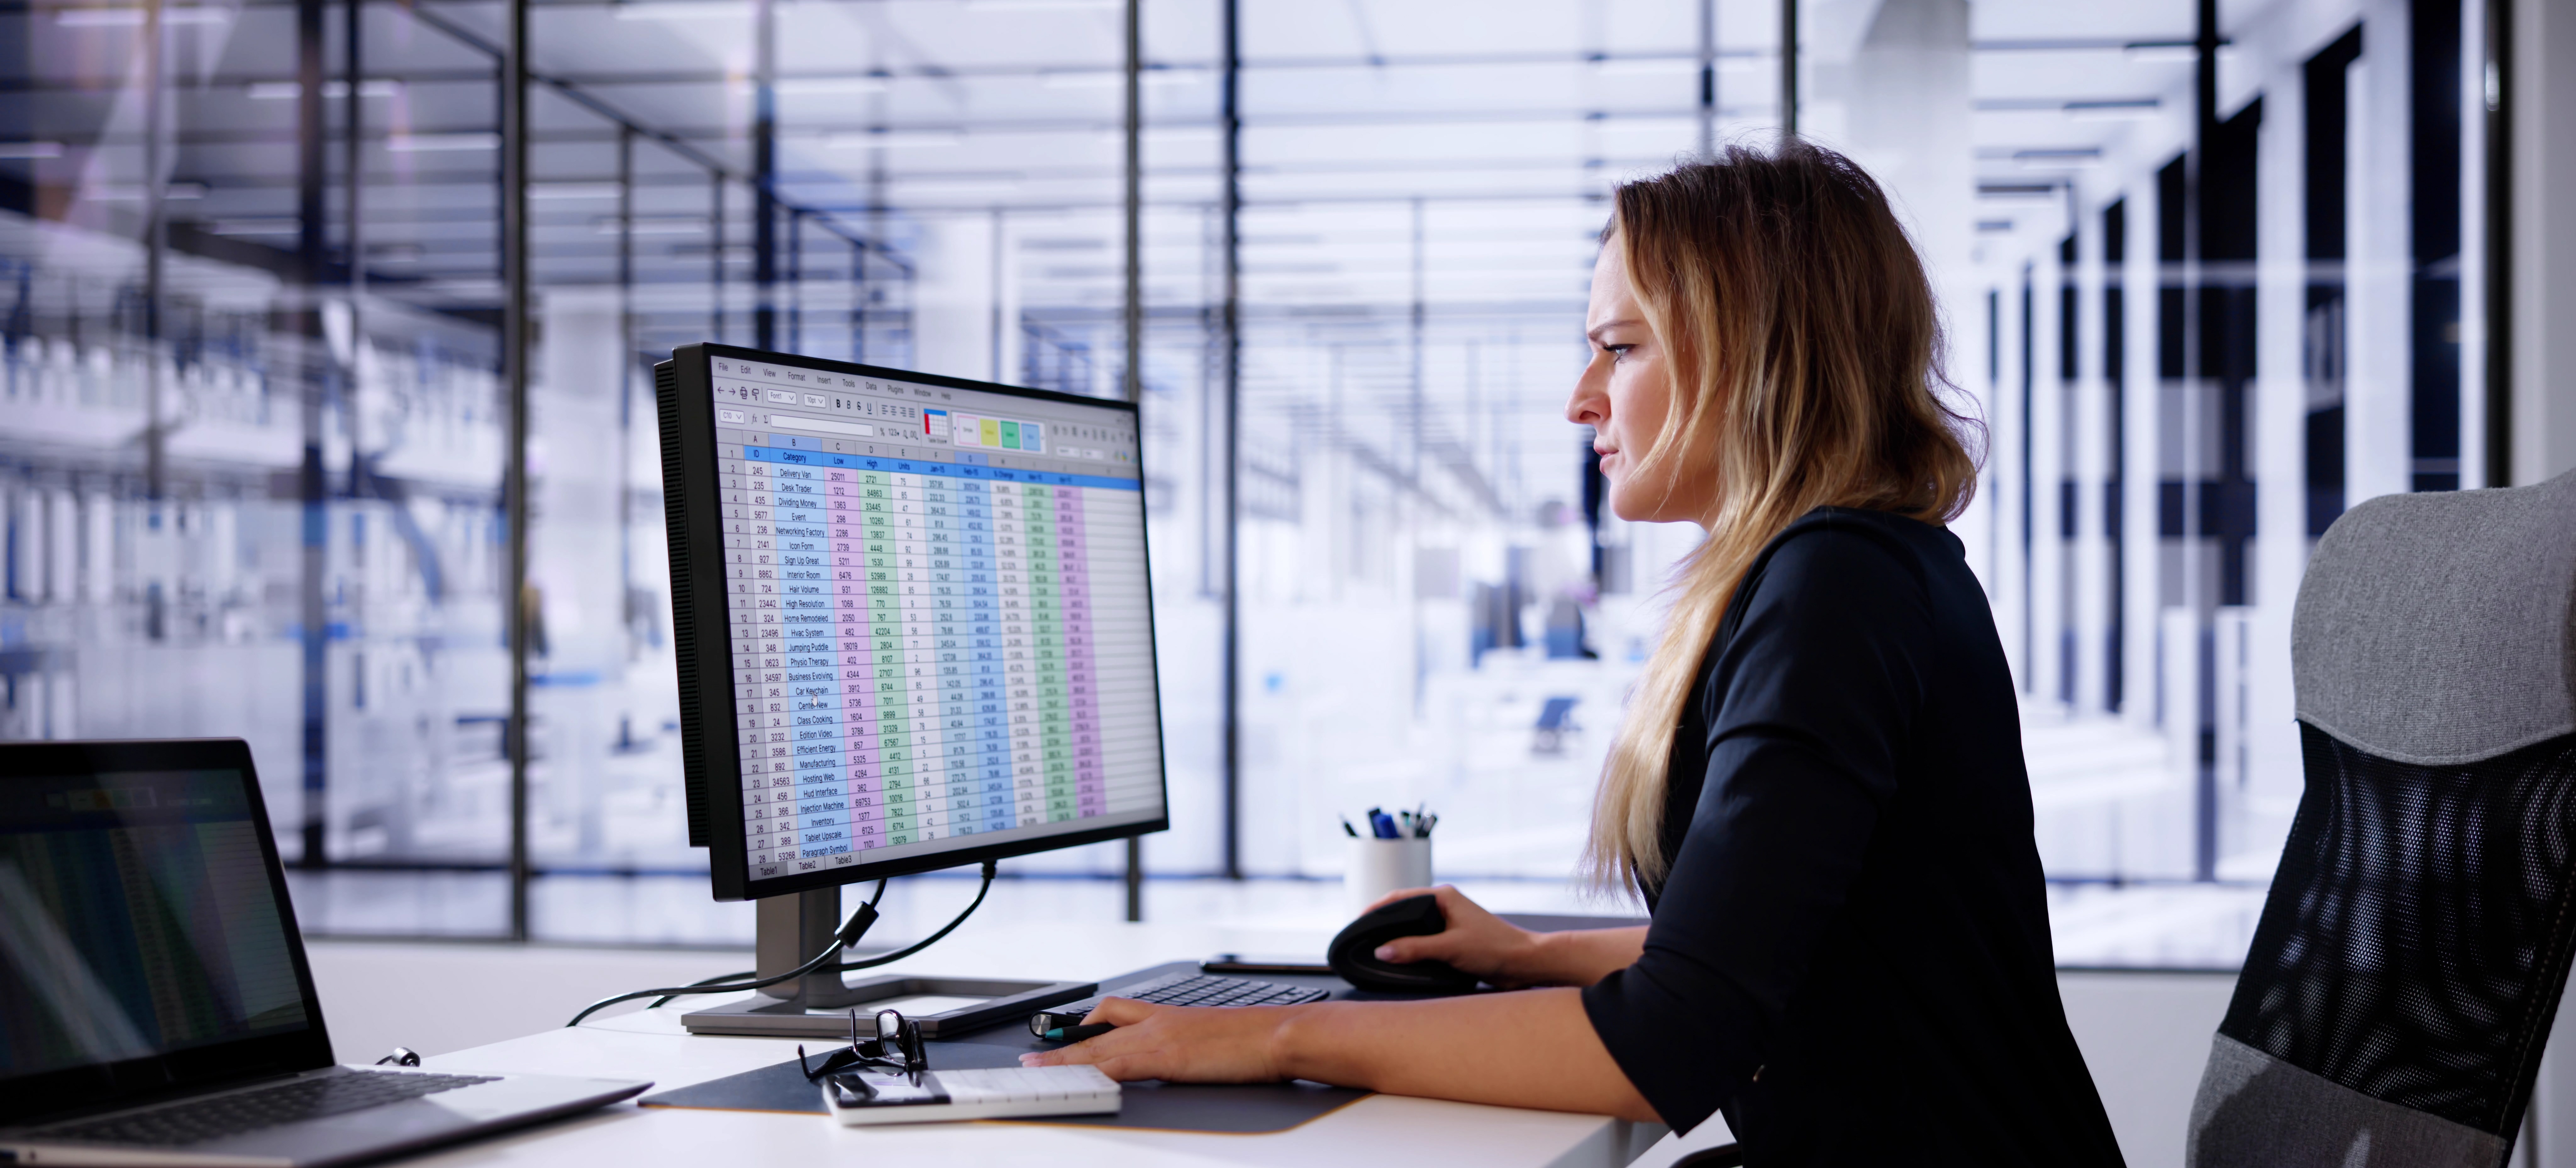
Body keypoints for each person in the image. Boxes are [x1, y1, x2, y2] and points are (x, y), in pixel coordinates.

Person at [1024, 140, 2127, 1166]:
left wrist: (1268, 1040)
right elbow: (1777, 951)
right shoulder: (1868, 567)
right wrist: (1528, 952)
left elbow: (1669, 1044)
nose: (1580, 398)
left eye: (1619, 347)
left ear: (1751, 352)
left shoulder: (1835, 588)